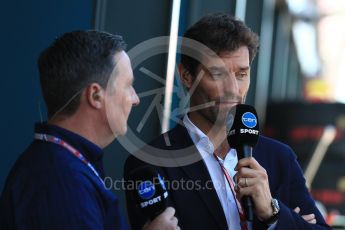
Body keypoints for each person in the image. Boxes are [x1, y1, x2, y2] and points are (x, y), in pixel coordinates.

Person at [124, 13, 331, 229]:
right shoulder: (150, 163)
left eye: (241, 74)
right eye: (217, 74)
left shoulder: (279, 157)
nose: (233, 89)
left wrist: (273, 213)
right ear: (186, 76)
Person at [0, 30, 179, 230]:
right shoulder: (61, 184)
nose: (136, 99)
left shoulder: (62, 166)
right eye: (128, 85)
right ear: (95, 95)